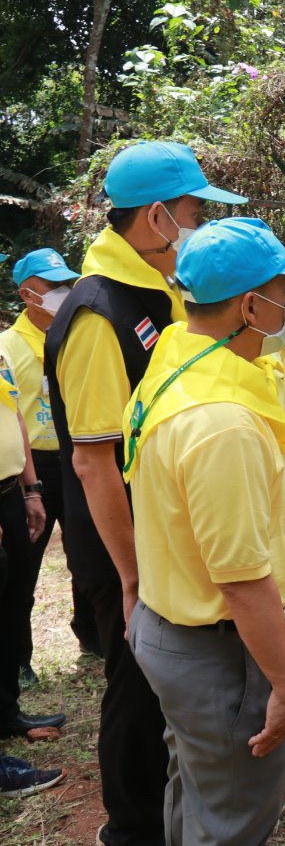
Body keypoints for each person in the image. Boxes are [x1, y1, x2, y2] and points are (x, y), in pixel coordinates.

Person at [44, 140, 246, 846]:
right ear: (158, 216)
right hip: (120, 541)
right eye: (196, 210)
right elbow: (95, 461)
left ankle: (170, 807)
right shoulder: (99, 313)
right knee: (133, 684)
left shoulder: (154, 289)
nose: (201, 221)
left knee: (163, 680)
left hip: (159, 529)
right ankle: (130, 830)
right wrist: (132, 575)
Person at [121, 218, 285, 844]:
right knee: (232, 816)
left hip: (170, 625)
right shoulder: (223, 427)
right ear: (248, 305)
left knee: (198, 791)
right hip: (218, 653)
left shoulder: (178, 357)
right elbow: (241, 580)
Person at [1, 249, 100, 688]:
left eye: (66, 284)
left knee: (88, 552)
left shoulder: (76, 334)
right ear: (27, 294)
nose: (62, 293)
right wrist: (29, 485)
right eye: (52, 287)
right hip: (31, 465)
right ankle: (19, 659)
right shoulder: (8, 346)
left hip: (76, 457)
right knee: (24, 565)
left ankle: (92, 635)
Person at [0, 342, 63, 798]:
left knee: (10, 603)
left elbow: (12, 414)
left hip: (8, 490)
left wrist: (31, 488)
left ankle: (5, 714)